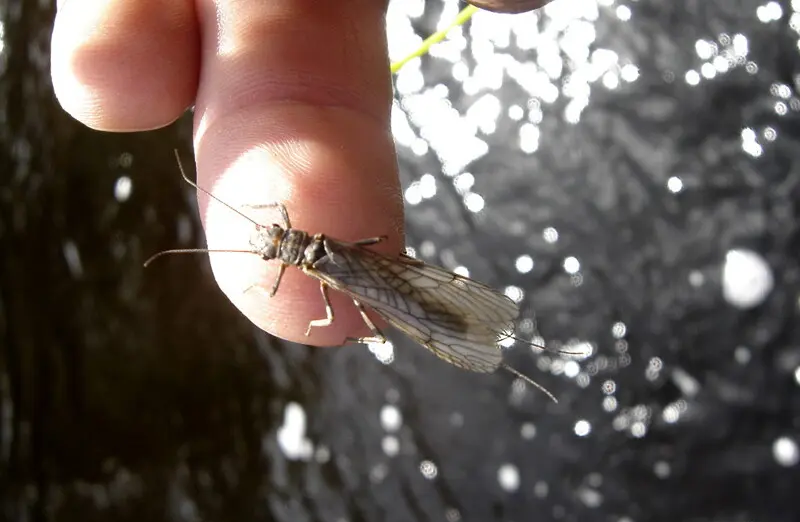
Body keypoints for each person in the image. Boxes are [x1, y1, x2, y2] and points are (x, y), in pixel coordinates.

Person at [50, 0, 555, 346]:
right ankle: (469, 329)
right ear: (287, 238)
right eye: (272, 240)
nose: (270, 237)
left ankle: (467, 326)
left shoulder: (305, 266)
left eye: (271, 238)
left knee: (359, 309)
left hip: (360, 271)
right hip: (361, 269)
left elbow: (309, 300)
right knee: (387, 295)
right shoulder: (312, 242)